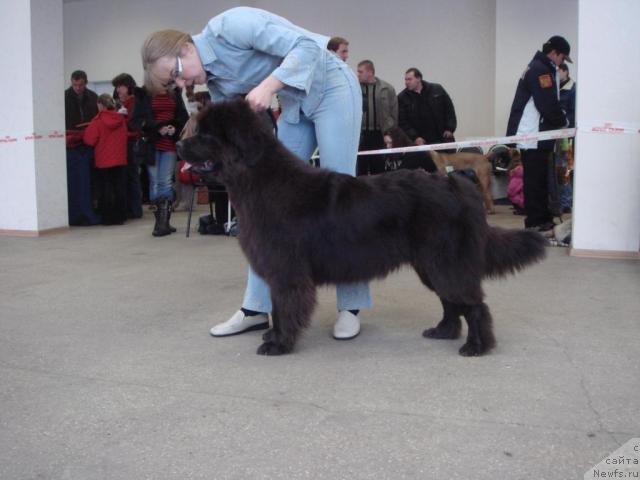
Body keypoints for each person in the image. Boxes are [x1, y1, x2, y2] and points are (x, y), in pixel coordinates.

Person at [140, 6, 371, 340]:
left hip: (331, 86)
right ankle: (256, 308)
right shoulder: (214, 80)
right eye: (173, 82)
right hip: (293, 104)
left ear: (186, 48)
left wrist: (268, 85)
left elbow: (307, 46)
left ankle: (350, 306)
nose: (181, 83)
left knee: (342, 199)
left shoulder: (232, 26)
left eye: (177, 72)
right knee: (265, 208)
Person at [506, 35, 571, 232]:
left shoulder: (541, 67)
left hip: (538, 134)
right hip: (533, 134)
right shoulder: (540, 69)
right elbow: (546, 104)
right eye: (563, 58)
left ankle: (542, 217)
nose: (562, 63)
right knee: (534, 180)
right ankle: (535, 221)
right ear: (554, 53)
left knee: (540, 178)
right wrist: (563, 121)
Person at [130, 83, 188, 237]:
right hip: (151, 143)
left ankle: (163, 223)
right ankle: (161, 222)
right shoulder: (143, 93)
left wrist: (175, 128)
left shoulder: (175, 92)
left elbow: (183, 116)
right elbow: (136, 120)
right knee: (155, 181)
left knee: (166, 181)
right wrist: (156, 128)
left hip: (169, 143)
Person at [82, 94, 128, 225]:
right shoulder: (121, 119)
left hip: (104, 161)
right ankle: (120, 217)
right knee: (119, 188)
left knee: (106, 190)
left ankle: (108, 218)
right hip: (120, 160)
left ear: (99, 105)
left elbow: (89, 140)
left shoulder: (98, 121)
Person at [64, 70, 100, 226]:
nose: (77, 88)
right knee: (76, 182)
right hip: (71, 143)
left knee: (89, 181)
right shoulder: (64, 97)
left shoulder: (92, 97)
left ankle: (88, 211)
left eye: (80, 85)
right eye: (74, 85)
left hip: (88, 142)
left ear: (85, 83)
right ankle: (76, 214)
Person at [356, 60, 398, 175]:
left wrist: (388, 133)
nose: (357, 74)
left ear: (370, 72)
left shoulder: (387, 89)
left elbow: (393, 113)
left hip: (379, 134)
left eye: (360, 72)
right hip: (361, 134)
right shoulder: (355, 88)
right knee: (361, 167)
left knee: (378, 167)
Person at [397, 68, 457, 147]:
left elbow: (449, 110)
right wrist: (415, 137)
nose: (406, 82)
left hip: (443, 137)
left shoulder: (437, 89)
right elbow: (403, 122)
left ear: (419, 78)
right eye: (405, 80)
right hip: (422, 141)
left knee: (449, 159)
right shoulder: (402, 97)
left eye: (409, 79)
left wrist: (450, 128)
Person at [112, 73, 144, 219]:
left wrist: (121, 117)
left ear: (128, 86)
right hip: (130, 142)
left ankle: (134, 210)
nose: (118, 90)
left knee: (132, 177)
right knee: (132, 177)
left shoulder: (132, 102)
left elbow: (132, 126)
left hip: (132, 142)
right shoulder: (128, 102)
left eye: (120, 86)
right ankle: (134, 209)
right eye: (117, 87)